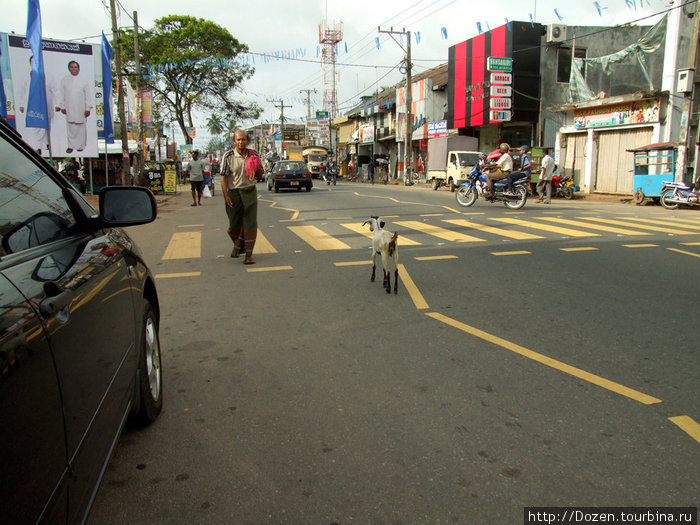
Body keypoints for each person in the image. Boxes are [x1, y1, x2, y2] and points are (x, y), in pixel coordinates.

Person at [220, 130, 264, 265]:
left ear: (247, 141)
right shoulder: (228, 156)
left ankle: (248, 255)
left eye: (243, 139)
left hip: (250, 191)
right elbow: (224, 177)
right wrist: (226, 195)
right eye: (238, 140)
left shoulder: (253, 154)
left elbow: (260, 175)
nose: (241, 142)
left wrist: (255, 164)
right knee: (234, 225)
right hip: (234, 193)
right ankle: (237, 247)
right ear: (234, 141)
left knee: (250, 224)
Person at [56, 60, 92, 154]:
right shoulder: (65, 80)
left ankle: (80, 146)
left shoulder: (83, 81)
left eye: (75, 67)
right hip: (69, 108)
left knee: (80, 128)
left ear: (79, 69)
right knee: (71, 127)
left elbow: (88, 96)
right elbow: (61, 94)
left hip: (81, 108)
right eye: (72, 67)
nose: (74, 69)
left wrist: (88, 108)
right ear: (69, 69)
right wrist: (62, 106)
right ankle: (71, 146)